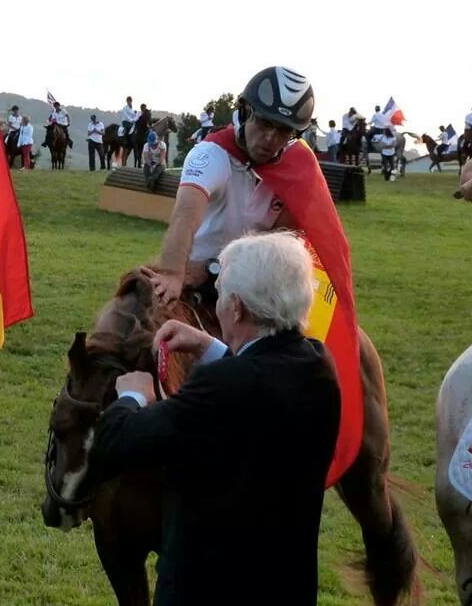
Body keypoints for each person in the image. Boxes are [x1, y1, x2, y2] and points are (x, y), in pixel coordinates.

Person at [90, 231, 340, 606]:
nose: (219, 303)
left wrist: (131, 395)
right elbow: (262, 385)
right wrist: (211, 347)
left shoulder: (220, 388)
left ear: (236, 308)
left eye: (221, 294)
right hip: (285, 587)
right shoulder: (318, 364)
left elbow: (116, 442)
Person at [148, 66, 317, 308]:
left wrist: (213, 268)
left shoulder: (296, 172)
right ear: (245, 112)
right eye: (264, 123)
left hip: (254, 283)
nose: (270, 138)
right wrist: (172, 274)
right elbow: (186, 215)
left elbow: (278, 246)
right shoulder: (210, 155)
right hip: (192, 275)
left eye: (283, 130)